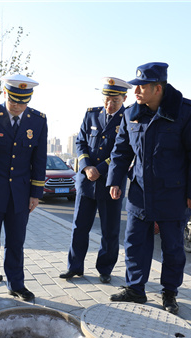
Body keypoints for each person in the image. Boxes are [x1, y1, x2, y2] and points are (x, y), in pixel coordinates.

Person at [107, 62, 191, 314]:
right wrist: (115, 180)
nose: (136, 91)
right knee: (134, 243)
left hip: (174, 195)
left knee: (172, 247)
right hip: (140, 193)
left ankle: (169, 292)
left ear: (158, 88)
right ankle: (135, 289)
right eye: (136, 86)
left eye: (142, 86)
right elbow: (121, 151)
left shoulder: (186, 112)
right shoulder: (132, 113)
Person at [0, 74, 48, 307]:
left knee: (16, 242)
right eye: (14, 100)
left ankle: (16, 284)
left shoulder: (38, 121)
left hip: (20, 196)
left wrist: (36, 194)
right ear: (5, 94)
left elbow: (39, 159)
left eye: (23, 102)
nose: (17, 106)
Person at [60, 77, 131, 284]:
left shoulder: (128, 118)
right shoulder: (91, 114)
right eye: (107, 99)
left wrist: (99, 169)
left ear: (124, 98)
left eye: (115, 100)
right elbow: (80, 142)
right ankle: (74, 267)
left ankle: (105, 268)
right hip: (86, 182)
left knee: (110, 230)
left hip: (111, 183)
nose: (110, 105)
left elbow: (124, 152)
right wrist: (86, 167)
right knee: (79, 227)